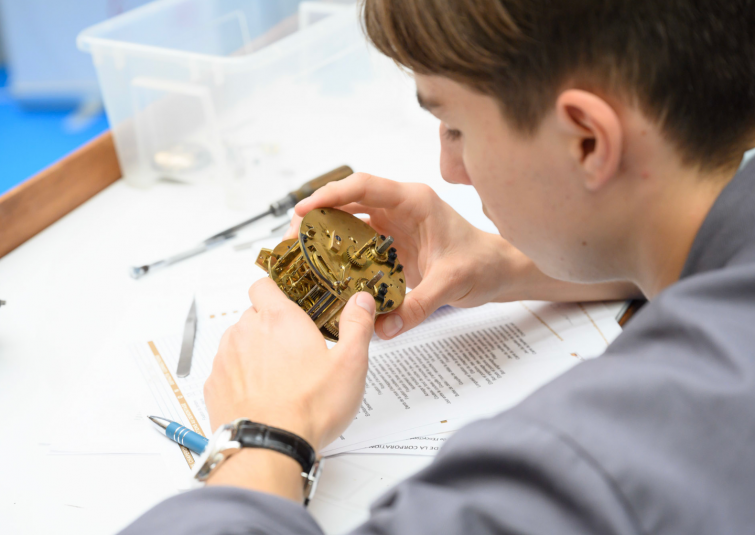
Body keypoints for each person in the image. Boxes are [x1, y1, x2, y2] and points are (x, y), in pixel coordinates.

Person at [122, 0, 755, 533]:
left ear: (587, 139)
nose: (449, 170)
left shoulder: (577, 467)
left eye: (453, 127)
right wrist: (513, 264)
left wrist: (262, 443)